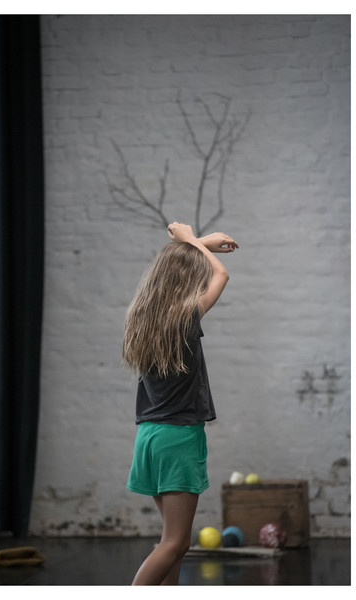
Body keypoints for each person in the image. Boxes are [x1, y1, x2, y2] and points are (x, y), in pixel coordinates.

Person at [123, 222, 238, 585]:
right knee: (176, 543)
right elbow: (222, 274)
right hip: (177, 439)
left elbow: (171, 265)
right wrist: (191, 239)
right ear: (187, 283)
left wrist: (197, 241)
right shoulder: (185, 318)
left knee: (172, 544)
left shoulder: (141, 318)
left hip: (149, 438)